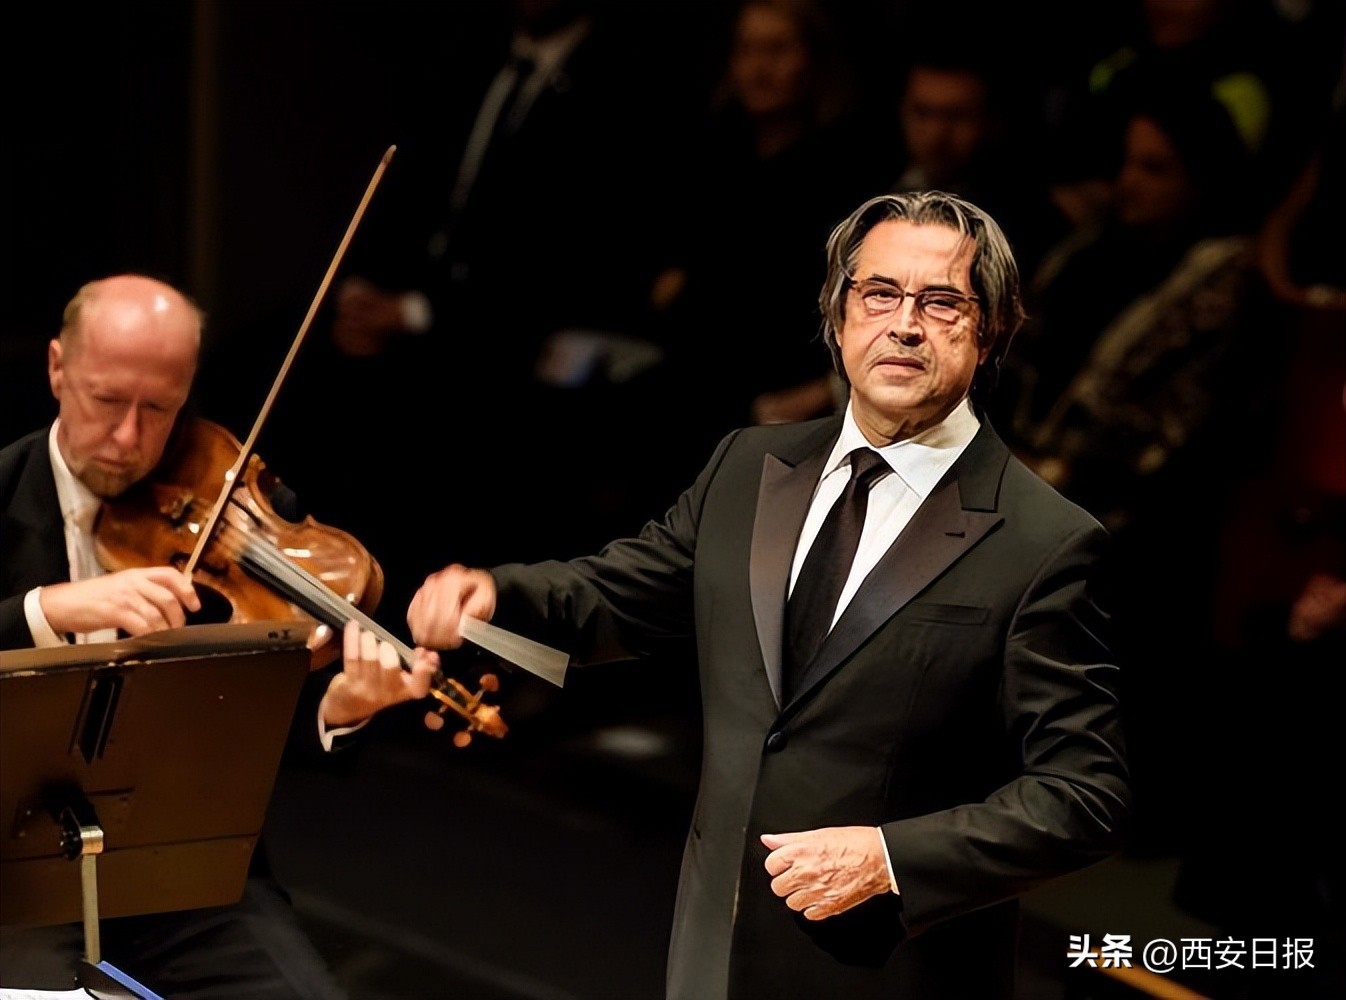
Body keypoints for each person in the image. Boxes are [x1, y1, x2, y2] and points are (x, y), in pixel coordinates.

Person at [404, 190, 1132, 999]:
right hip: (712, 956)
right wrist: (495, 595)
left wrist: (892, 859)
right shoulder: (749, 466)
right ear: (838, 315)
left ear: (990, 330)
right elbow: (619, 594)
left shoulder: (1043, 541)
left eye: (940, 302)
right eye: (879, 293)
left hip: (890, 975)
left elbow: (1083, 796)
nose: (904, 324)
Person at [0, 274, 440, 998]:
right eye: (106, 400)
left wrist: (336, 707)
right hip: (14, 888)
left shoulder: (232, 511)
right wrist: (49, 608)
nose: (127, 438)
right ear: (56, 368)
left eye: (158, 408)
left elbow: (249, 717)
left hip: (179, 876)